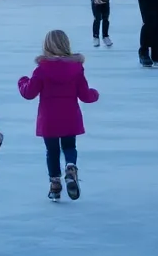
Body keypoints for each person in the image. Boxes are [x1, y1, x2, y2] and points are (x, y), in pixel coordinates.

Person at [17, 29, 99, 202]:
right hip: (70, 115)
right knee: (69, 146)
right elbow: (84, 95)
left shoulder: (42, 70)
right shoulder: (76, 69)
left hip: (49, 118)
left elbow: (29, 93)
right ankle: (70, 167)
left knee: (52, 151)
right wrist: (94, 94)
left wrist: (22, 81)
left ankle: (55, 185)